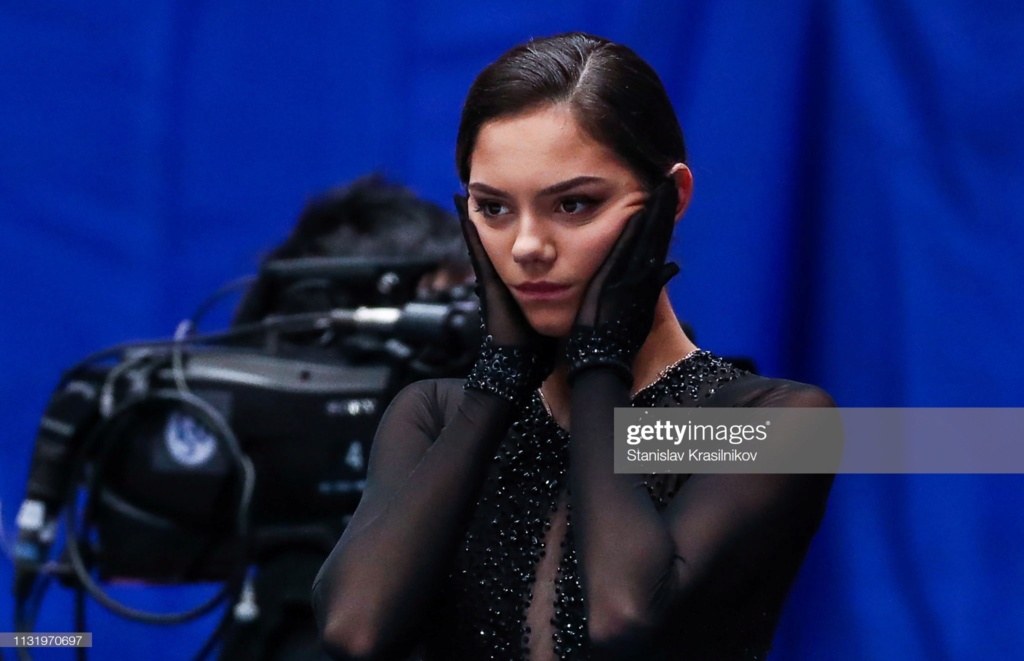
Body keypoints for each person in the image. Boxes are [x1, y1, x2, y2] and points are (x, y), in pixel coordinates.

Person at [312, 32, 834, 660]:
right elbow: (354, 631)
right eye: (495, 208)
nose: (529, 246)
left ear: (672, 202)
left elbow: (625, 619)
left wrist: (598, 364)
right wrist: (499, 380)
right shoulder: (434, 415)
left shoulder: (771, 422)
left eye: (574, 204)